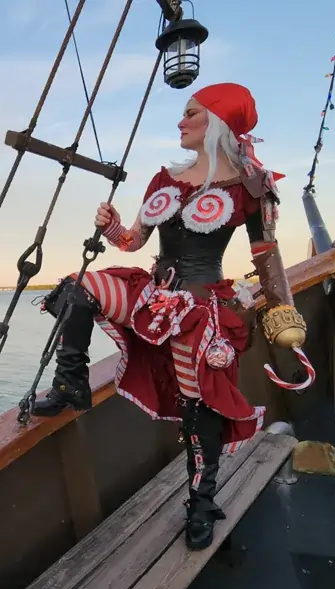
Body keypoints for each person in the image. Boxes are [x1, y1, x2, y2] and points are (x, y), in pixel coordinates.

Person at [32, 82, 306, 550]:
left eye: (191, 113)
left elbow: (266, 254)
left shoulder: (249, 186)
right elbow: (134, 243)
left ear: (216, 122)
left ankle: (202, 502)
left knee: (197, 409)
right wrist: (113, 225)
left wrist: (283, 309)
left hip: (200, 309)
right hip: (153, 295)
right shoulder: (164, 180)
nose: (181, 121)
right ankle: (69, 382)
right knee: (78, 290)